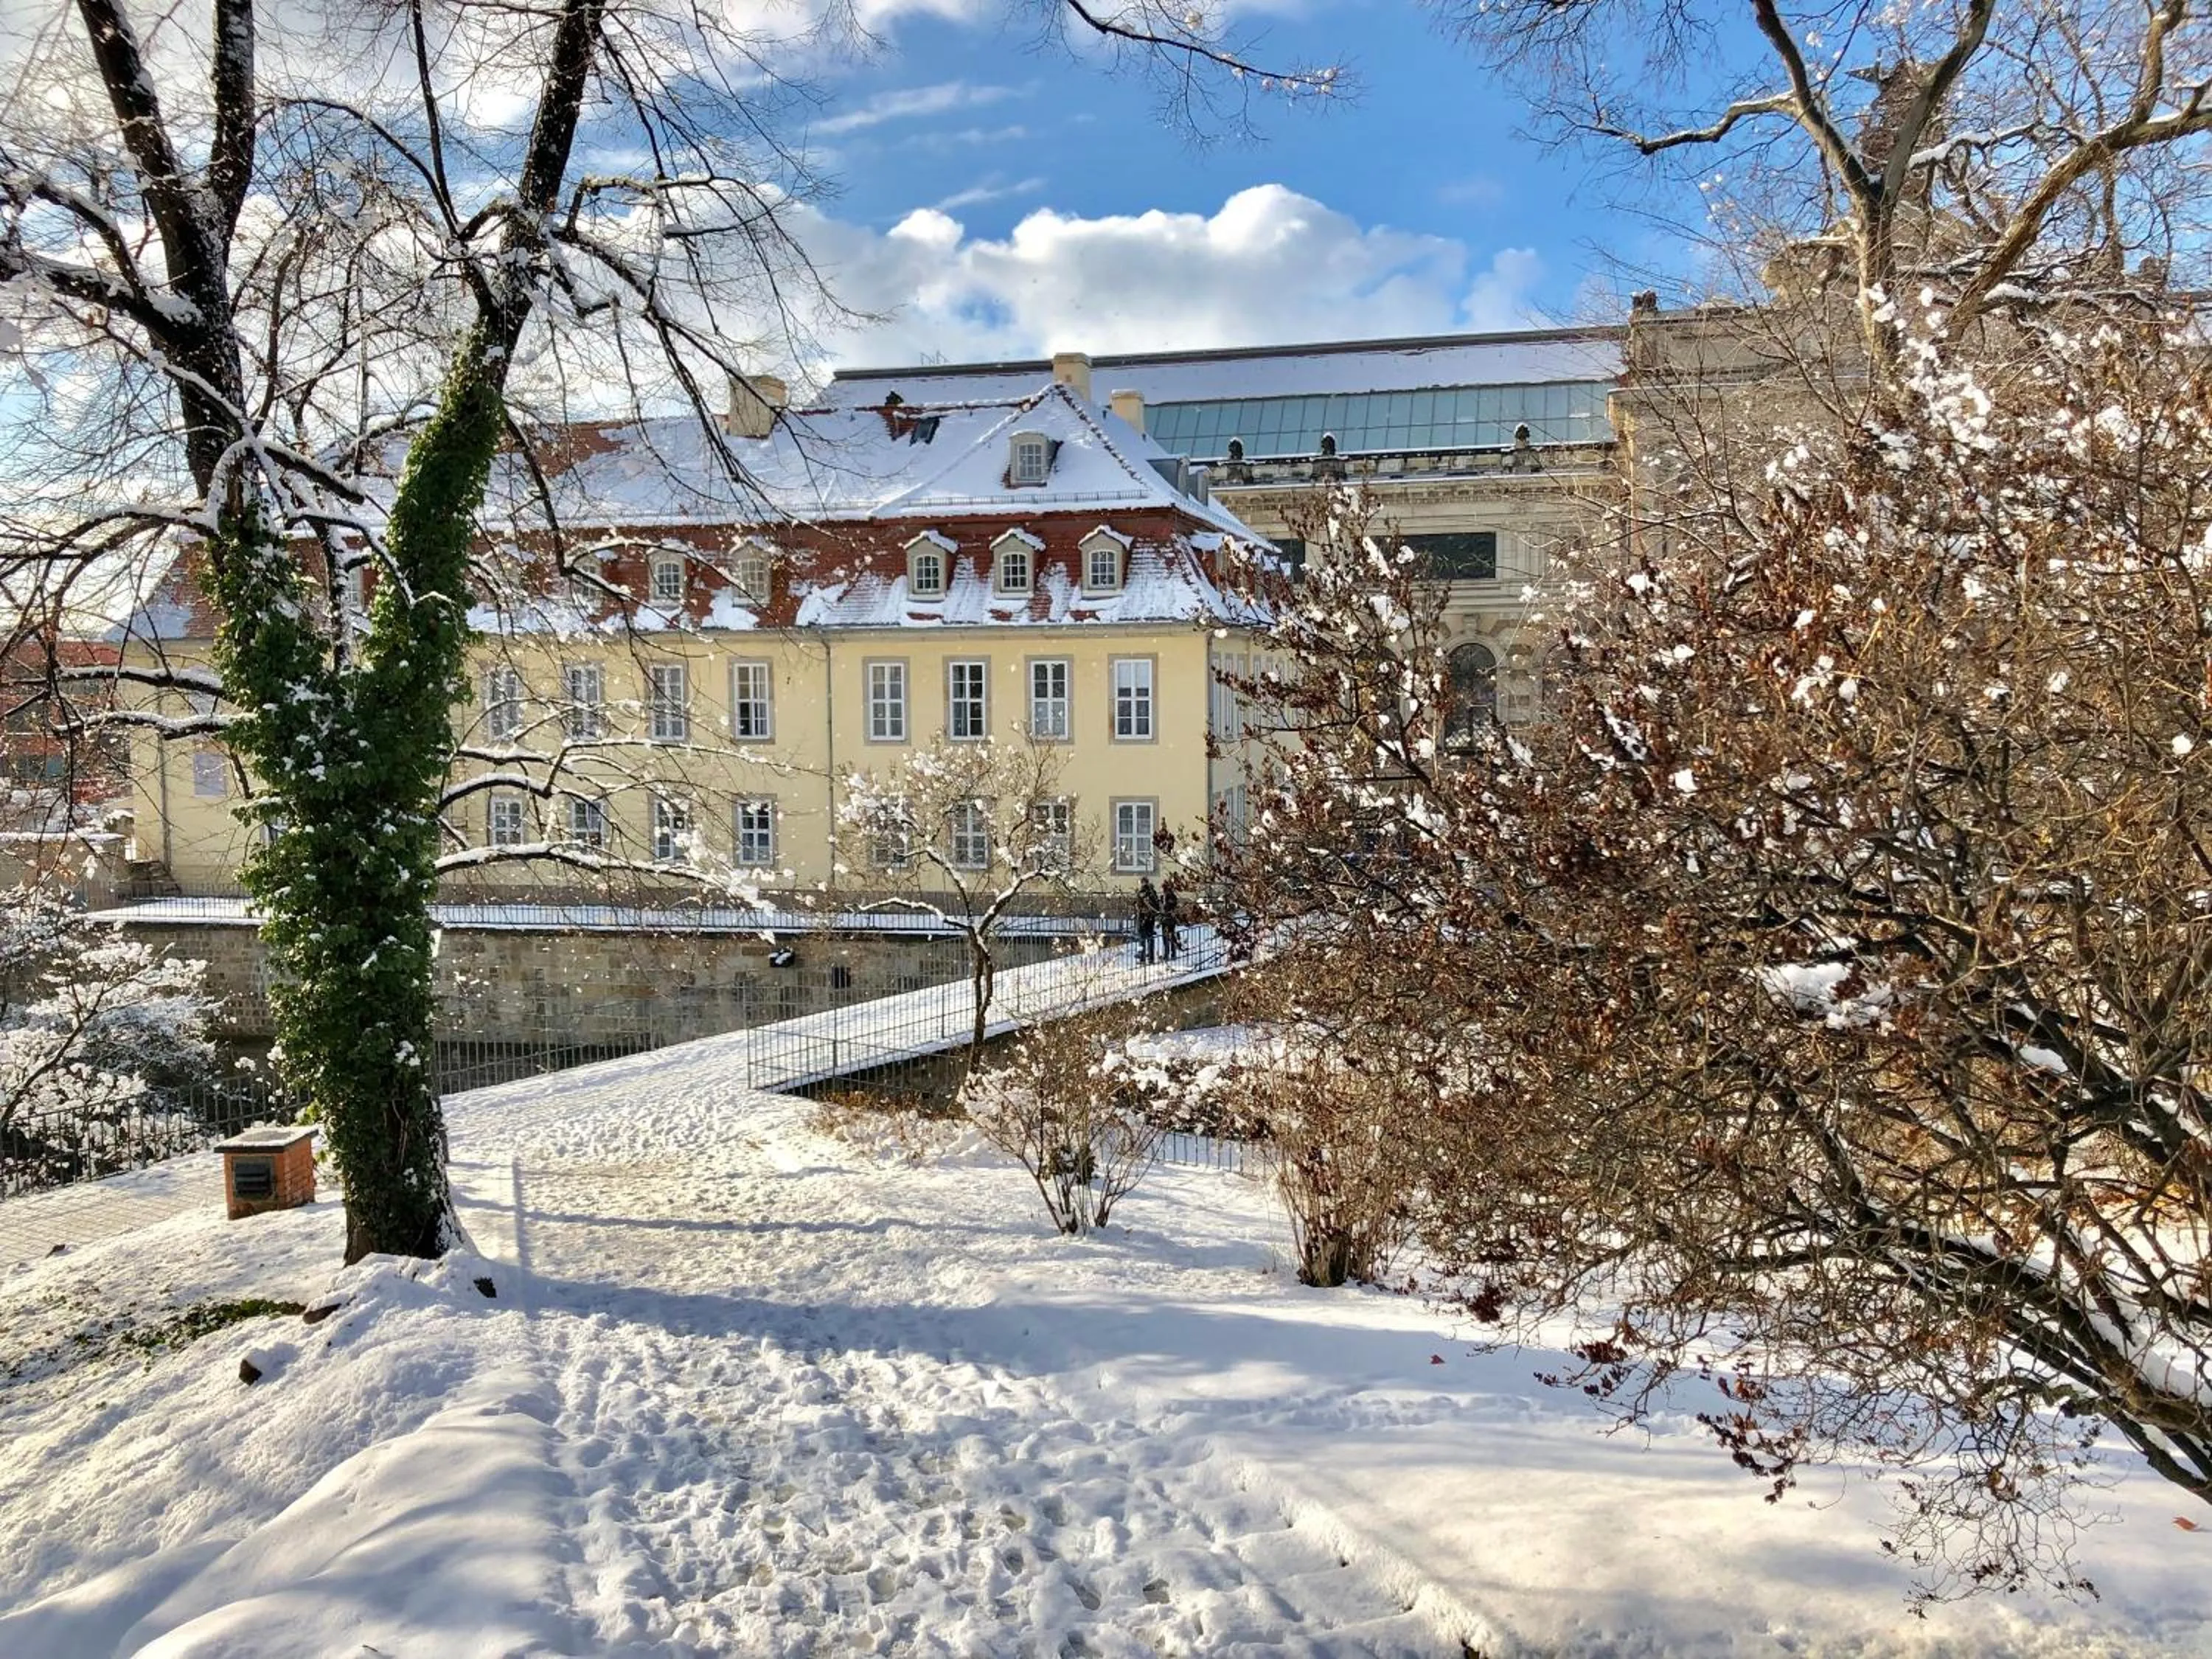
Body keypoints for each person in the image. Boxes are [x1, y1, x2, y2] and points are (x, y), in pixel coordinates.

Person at [1135, 877, 1161, 965]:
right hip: (1151, 919)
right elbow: (1157, 906)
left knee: (1142, 939)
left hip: (1142, 918)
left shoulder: (1141, 892)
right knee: (1150, 939)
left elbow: (1139, 906)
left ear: (1142, 883)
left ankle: (1142, 959)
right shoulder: (1153, 893)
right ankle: (1151, 959)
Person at [1161, 877, 1183, 962]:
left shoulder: (1166, 896)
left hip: (1167, 919)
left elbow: (1165, 908)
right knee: (1172, 936)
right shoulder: (1173, 896)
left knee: (1166, 937)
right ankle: (1173, 954)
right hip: (1171, 919)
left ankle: (1167, 955)